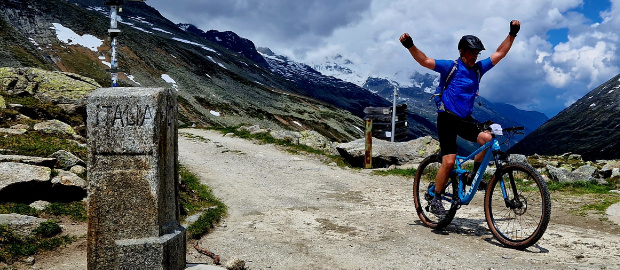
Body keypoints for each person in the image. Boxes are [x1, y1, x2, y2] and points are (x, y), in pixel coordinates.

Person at [399, 20, 521, 215]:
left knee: (487, 139)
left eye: (477, 53)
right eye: (471, 52)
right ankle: (436, 198)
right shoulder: (451, 67)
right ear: (462, 51)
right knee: (448, 162)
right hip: (447, 119)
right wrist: (410, 45)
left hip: (465, 119)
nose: (474, 56)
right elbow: (425, 60)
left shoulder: (478, 69)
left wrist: (512, 34)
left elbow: (500, 53)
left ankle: (473, 176)